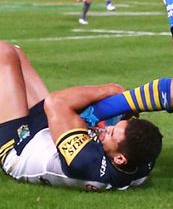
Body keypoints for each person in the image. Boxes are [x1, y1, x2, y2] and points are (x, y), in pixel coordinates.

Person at [0, 42, 162, 190]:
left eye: (111, 133)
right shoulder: (142, 160)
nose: (108, 128)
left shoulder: (85, 161)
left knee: (4, 53)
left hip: (21, 149)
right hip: (47, 135)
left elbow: (56, 102)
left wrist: (110, 89)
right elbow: (144, 141)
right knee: (15, 51)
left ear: (119, 159)